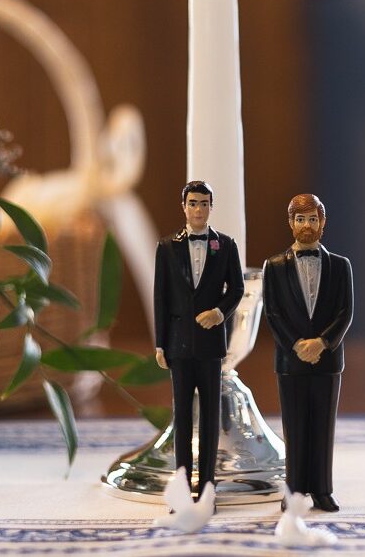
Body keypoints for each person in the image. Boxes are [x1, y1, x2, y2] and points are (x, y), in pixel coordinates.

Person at [262, 193, 353, 512]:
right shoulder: (273, 267)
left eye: (312, 219)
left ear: (323, 223)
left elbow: (345, 313)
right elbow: (272, 313)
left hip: (327, 361)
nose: (306, 226)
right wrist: (297, 344)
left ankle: (322, 490)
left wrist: (323, 343)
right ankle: (294, 490)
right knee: (295, 427)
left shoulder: (341, 266)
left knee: (323, 427)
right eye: (300, 219)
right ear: (290, 224)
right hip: (291, 361)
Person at [154, 180, 244, 499]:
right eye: (193, 203)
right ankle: (181, 485)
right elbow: (160, 298)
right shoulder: (167, 248)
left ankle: (207, 486)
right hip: (178, 345)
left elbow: (236, 289)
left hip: (209, 346)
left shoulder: (226, 246)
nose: (198, 209)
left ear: (210, 207)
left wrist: (220, 312)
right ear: (184, 206)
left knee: (209, 418)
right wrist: (160, 343)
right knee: (181, 418)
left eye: (204, 203)